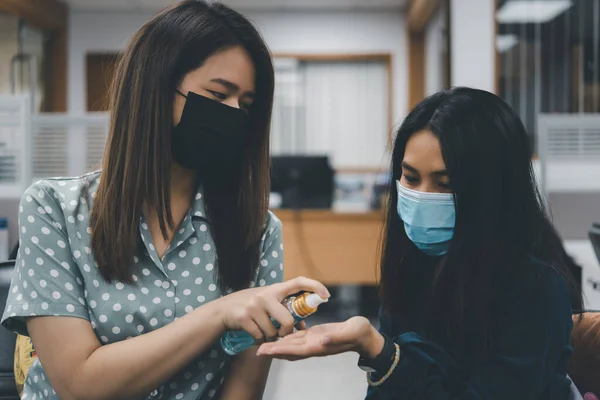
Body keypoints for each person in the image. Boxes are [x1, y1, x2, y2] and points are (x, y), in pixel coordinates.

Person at [1, 2, 329, 400]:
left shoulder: (257, 230)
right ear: (154, 87)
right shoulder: (54, 210)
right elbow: (78, 383)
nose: (233, 115)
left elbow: (243, 388)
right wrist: (219, 314)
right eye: (217, 94)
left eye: (245, 105)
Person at [257, 87, 584, 399]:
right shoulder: (411, 269)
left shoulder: (536, 290)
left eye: (446, 184)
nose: (423, 196)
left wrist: (380, 352)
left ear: (493, 191)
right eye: (411, 178)